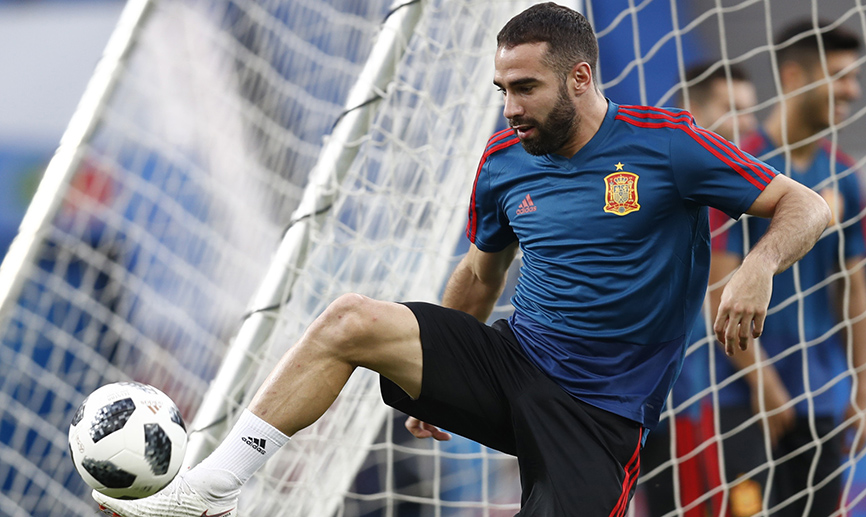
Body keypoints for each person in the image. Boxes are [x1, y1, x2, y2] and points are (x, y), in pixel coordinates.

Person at [92, 4, 831, 516]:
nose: (509, 106)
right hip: (512, 361)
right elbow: (481, 272)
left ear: (580, 79)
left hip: (599, 415)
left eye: (525, 88)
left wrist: (758, 265)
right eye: (502, 88)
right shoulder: (507, 157)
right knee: (349, 319)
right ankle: (212, 487)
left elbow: (808, 206)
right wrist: (431, 378)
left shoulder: (669, 143)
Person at [704, 19, 865, 517]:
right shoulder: (738, 163)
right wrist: (764, 385)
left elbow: (858, 291)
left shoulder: (844, 175)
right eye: (839, 76)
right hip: (743, 399)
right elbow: (718, 287)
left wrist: (861, 387)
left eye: (854, 78)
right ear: (794, 77)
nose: (851, 91)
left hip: (823, 398)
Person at [639, 61, 759, 517]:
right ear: (690, 108)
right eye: (732, 109)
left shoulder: (726, 188)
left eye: (750, 111)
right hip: (680, 399)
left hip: (685, 396)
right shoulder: (679, 187)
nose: (746, 123)